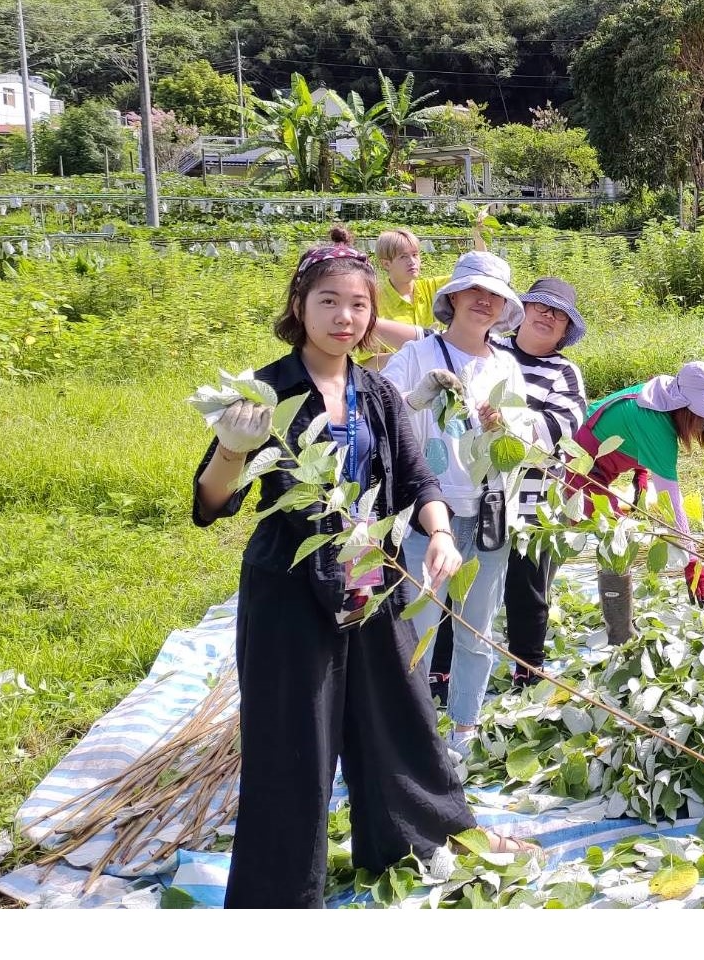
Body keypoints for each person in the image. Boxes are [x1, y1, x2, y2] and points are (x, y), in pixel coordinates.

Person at [190, 228, 530, 909]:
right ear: (299, 306)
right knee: (293, 741)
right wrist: (232, 449)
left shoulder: (374, 392)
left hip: (369, 574)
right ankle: (278, 897)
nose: (345, 318)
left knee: (399, 716)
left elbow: (413, 478)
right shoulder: (269, 389)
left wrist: (439, 535)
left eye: (357, 305)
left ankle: (419, 841)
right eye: (329, 303)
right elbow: (210, 502)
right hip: (289, 583)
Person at [381, 251, 531, 757]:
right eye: (474, 292)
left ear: (505, 308)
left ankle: (464, 727)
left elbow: (524, 443)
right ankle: (413, 731)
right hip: (431, 512)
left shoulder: (507, 365)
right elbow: (383, 422)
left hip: (489, 514)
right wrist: (419, 397)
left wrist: (504, 430)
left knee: (477, 628)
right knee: (420, 629)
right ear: (452, 298)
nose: (483, 302)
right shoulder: (419, 357)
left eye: (494, 296)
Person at [429, 279, 589, 697]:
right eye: (540, 307)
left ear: (564, 331)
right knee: (456, 580)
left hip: (532, 500)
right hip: (471, 493)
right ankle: (441, 668)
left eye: (558, 315)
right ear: (520, 311)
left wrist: (510, 426)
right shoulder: (488, 351)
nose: (547, 317)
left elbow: (557, 429)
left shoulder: (565, 373)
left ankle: (527, 665)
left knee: (527, 585)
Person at [563, 362, 704, 647]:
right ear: (684, 405)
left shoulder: (662, 395)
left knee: (613, 532)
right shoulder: (655, 422)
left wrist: (640, 472)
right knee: (614, 539)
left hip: (600, 462)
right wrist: (692, 562)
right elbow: (671, 503)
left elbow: (624, 426)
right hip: (576, 467)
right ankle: (619, 636)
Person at [370, 210, 489, 350]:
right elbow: (369, 361)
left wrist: (478, 235)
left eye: (415, 255)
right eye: (403, 257)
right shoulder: (375, 303)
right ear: (386, 264)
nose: (412, 262)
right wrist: (415, 357)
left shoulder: (432, 288)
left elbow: (477, 272)